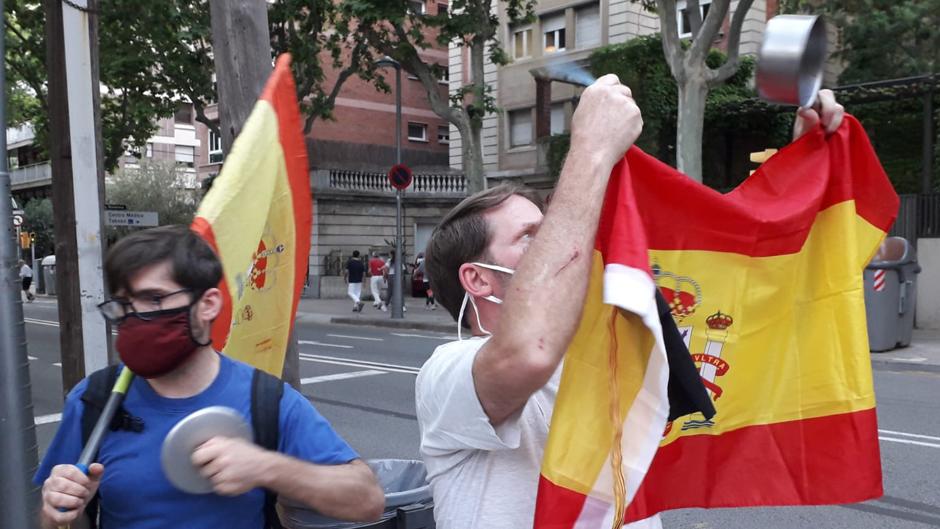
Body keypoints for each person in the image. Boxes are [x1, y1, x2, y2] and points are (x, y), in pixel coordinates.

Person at [417, 77, 846, 529]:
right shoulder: (446, 373)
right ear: (478, 279)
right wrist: (592, 149)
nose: (562, 244)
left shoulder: (618, 350)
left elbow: (748, 302)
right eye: (531, 238)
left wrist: (801, 171)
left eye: (552, 230)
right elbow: (526, 351)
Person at [35, 226, 384, 529]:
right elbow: (58, 522)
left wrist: (267, 468)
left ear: (209, 304)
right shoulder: (93, 400)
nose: (136, 317)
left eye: (154, 299)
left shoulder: (266, 399)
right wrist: (57, 515)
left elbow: (367, 500)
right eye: (124, 305)